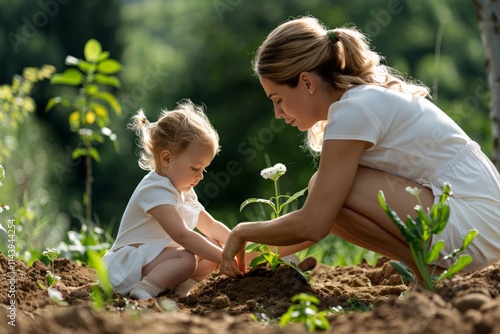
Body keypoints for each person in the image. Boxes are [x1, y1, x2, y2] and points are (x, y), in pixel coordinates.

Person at [220, 16, 500, 281]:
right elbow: (319, 222)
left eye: (278, 99)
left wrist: (243, 232)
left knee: (327, 192)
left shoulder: (354, 110)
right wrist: (247, 255)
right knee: (329, 195)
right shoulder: (359, 101)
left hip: (474, 226)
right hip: (481, 228)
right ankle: (429, 272)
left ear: (306, 82)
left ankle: (432, 273)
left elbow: (314, 224)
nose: (277, 113)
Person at [103, 100, 235, 299]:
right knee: (187, 258)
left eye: (204, 169)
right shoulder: (154, 190)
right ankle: (143, 291)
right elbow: (183, 236)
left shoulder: (182, 189)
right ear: (166, 158)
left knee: (214, 245)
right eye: (195, 168)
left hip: (154, 261)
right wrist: (225, 258)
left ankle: (179, 291)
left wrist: (238, 246)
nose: (201, 176)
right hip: (128, 267)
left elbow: (211, 226)